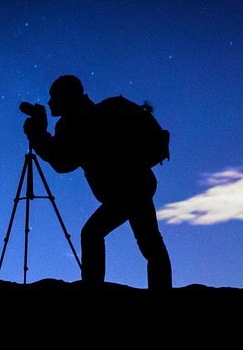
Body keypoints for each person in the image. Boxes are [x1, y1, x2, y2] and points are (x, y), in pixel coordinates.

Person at [22, 74, 173, 290]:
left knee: (93, 234)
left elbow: (61, 162)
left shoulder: (76, 122)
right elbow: (63, 156)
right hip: (139, 184)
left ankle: (93, 289)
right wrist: (42, 133)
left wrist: (37, 135)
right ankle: (161, 291)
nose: (49, 102)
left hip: (127, 189)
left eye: (53, 96)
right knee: (150, 244)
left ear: (66, 97)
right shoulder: (91, 114)